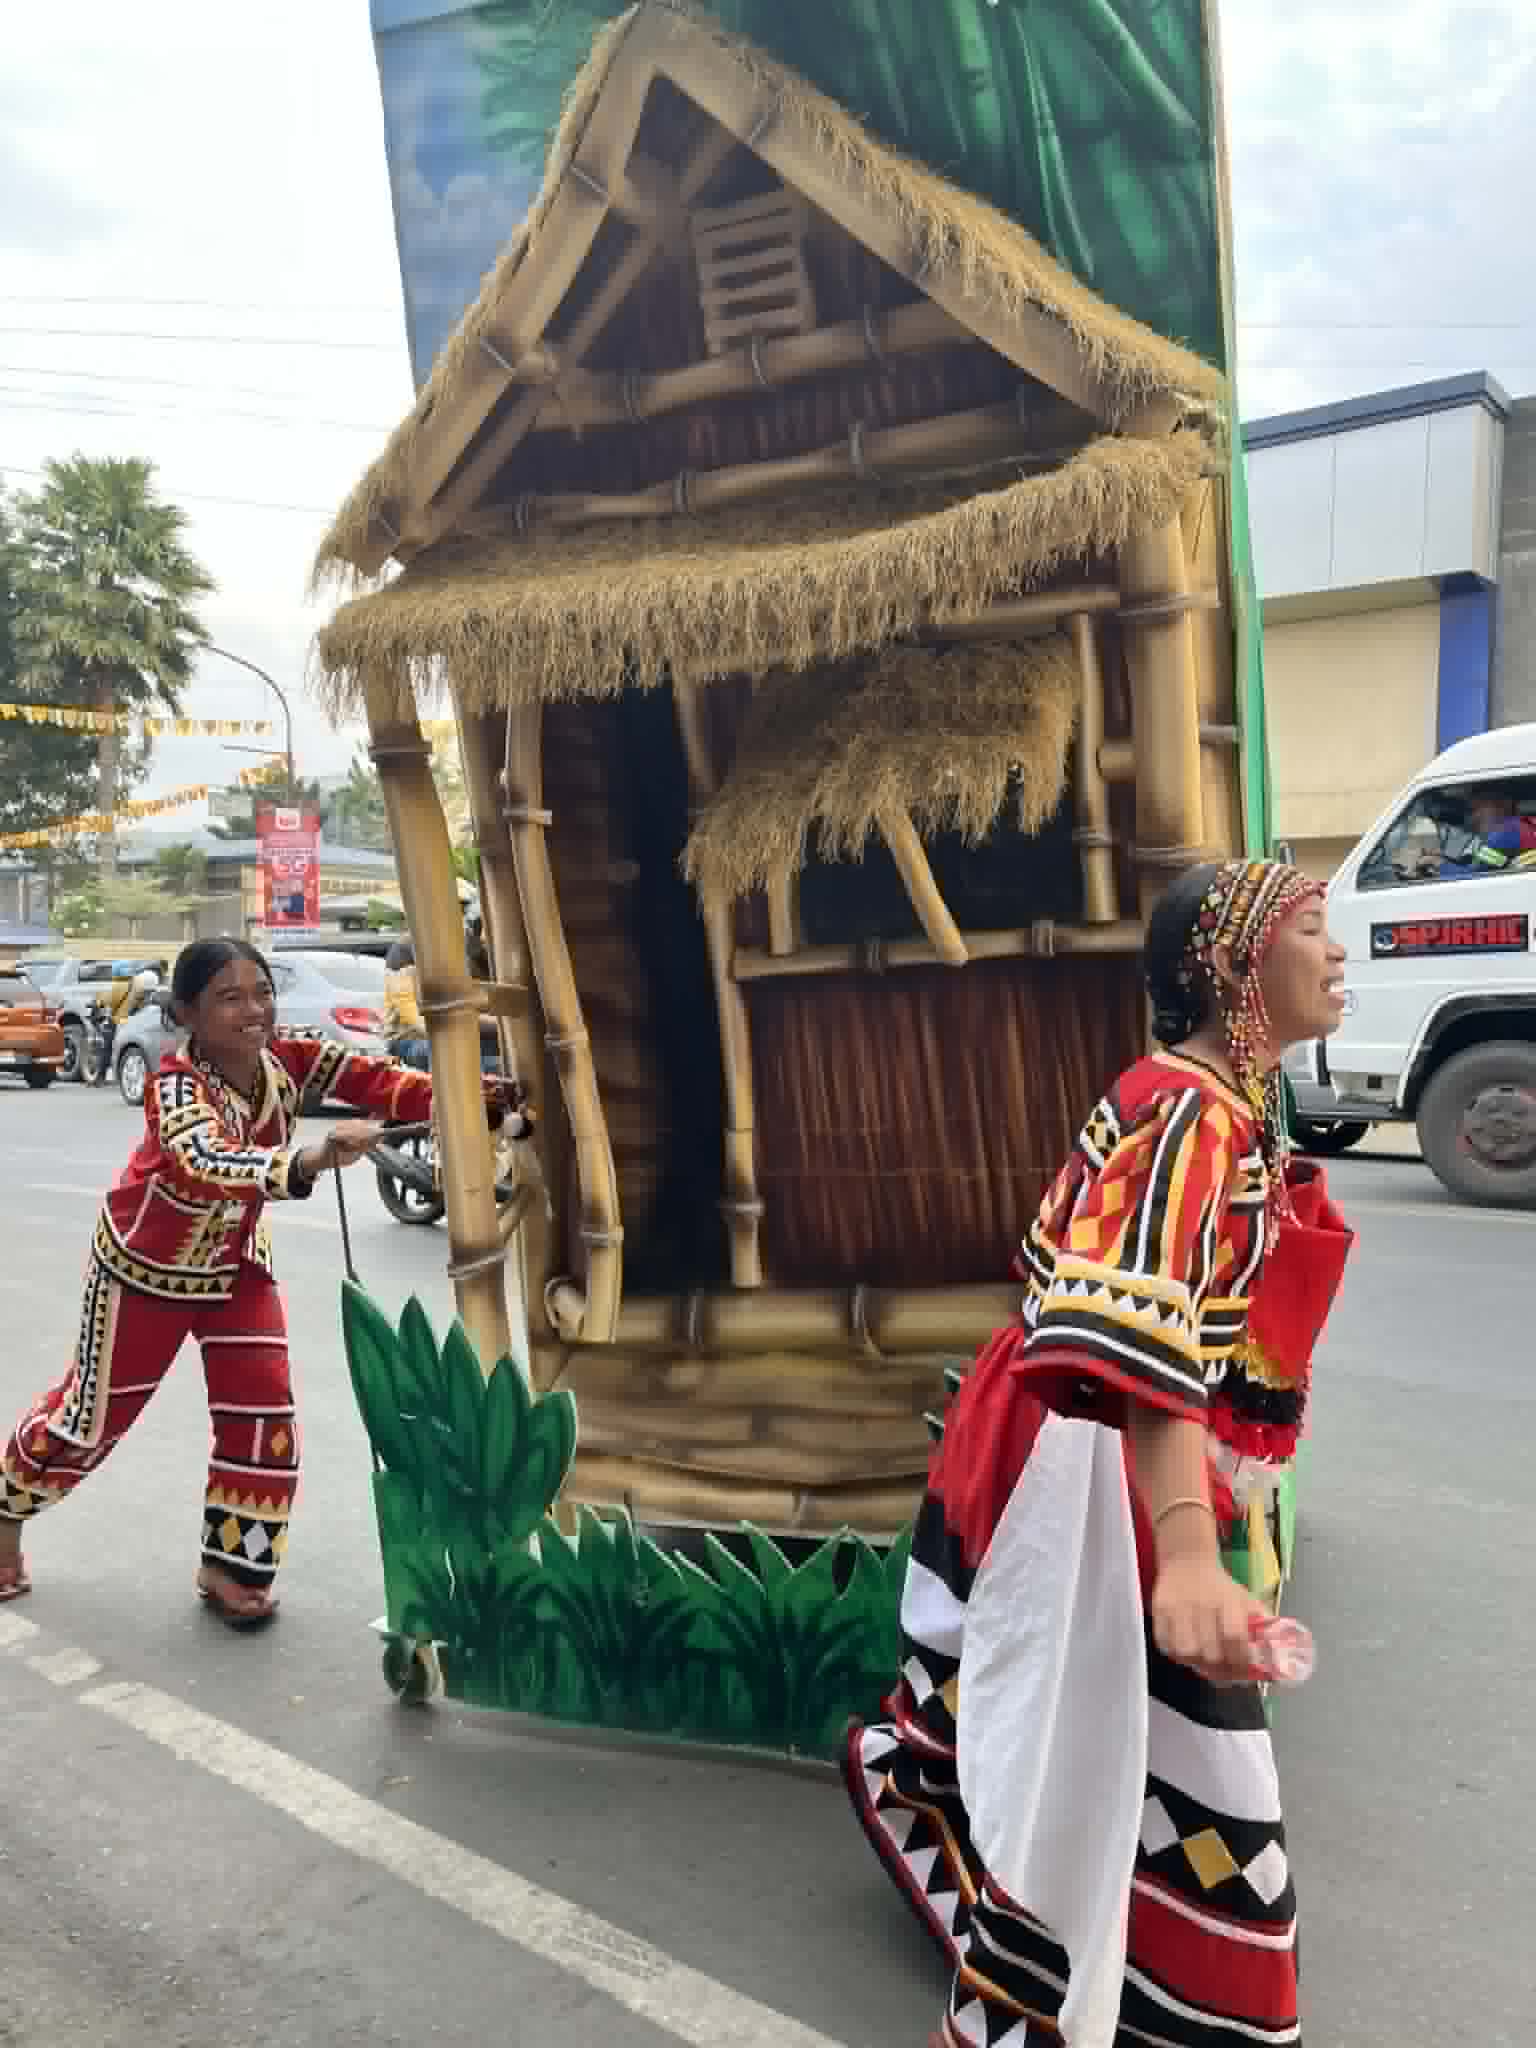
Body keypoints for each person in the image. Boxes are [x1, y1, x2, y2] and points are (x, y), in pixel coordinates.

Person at [844, 858, 1356, 2048]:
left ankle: (1080, 1980)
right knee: (1123, 1784)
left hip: (1096, 1450)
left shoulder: (1221, 1104)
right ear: (1229, 964)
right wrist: (1184, 1549)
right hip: (1080, 1465)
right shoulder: (1185, 1111)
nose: (1339, 954)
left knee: (1089, 1761)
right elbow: (1138, 1333)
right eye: (1315, 929)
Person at [0, 937, 531, 1628]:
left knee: (264, 1417)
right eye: (230, 997)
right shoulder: (174, 1086)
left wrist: (482, 1100)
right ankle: (5, 1512)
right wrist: (307, 1160)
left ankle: (228, 1567)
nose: (254, 1010)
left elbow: (380, 1081)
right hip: (146, 1272)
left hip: (237, 1264)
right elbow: (204, 1160)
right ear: (188, 1013)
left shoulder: (291, 1060)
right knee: (90, 1421)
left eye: (262, 993)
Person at [1420, 787, 1536, 879]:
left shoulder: (1505, 835)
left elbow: (1473, 878)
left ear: (1501, 806)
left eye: (1475, 809)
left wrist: (1437, 862)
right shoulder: (1520, 826)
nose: (1473, 818)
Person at [383, 938, 430, 1070]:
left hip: (423, 1037)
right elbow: (421, 1024)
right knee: (439, 1049)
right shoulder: (401, 974)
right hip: (404, 1043)